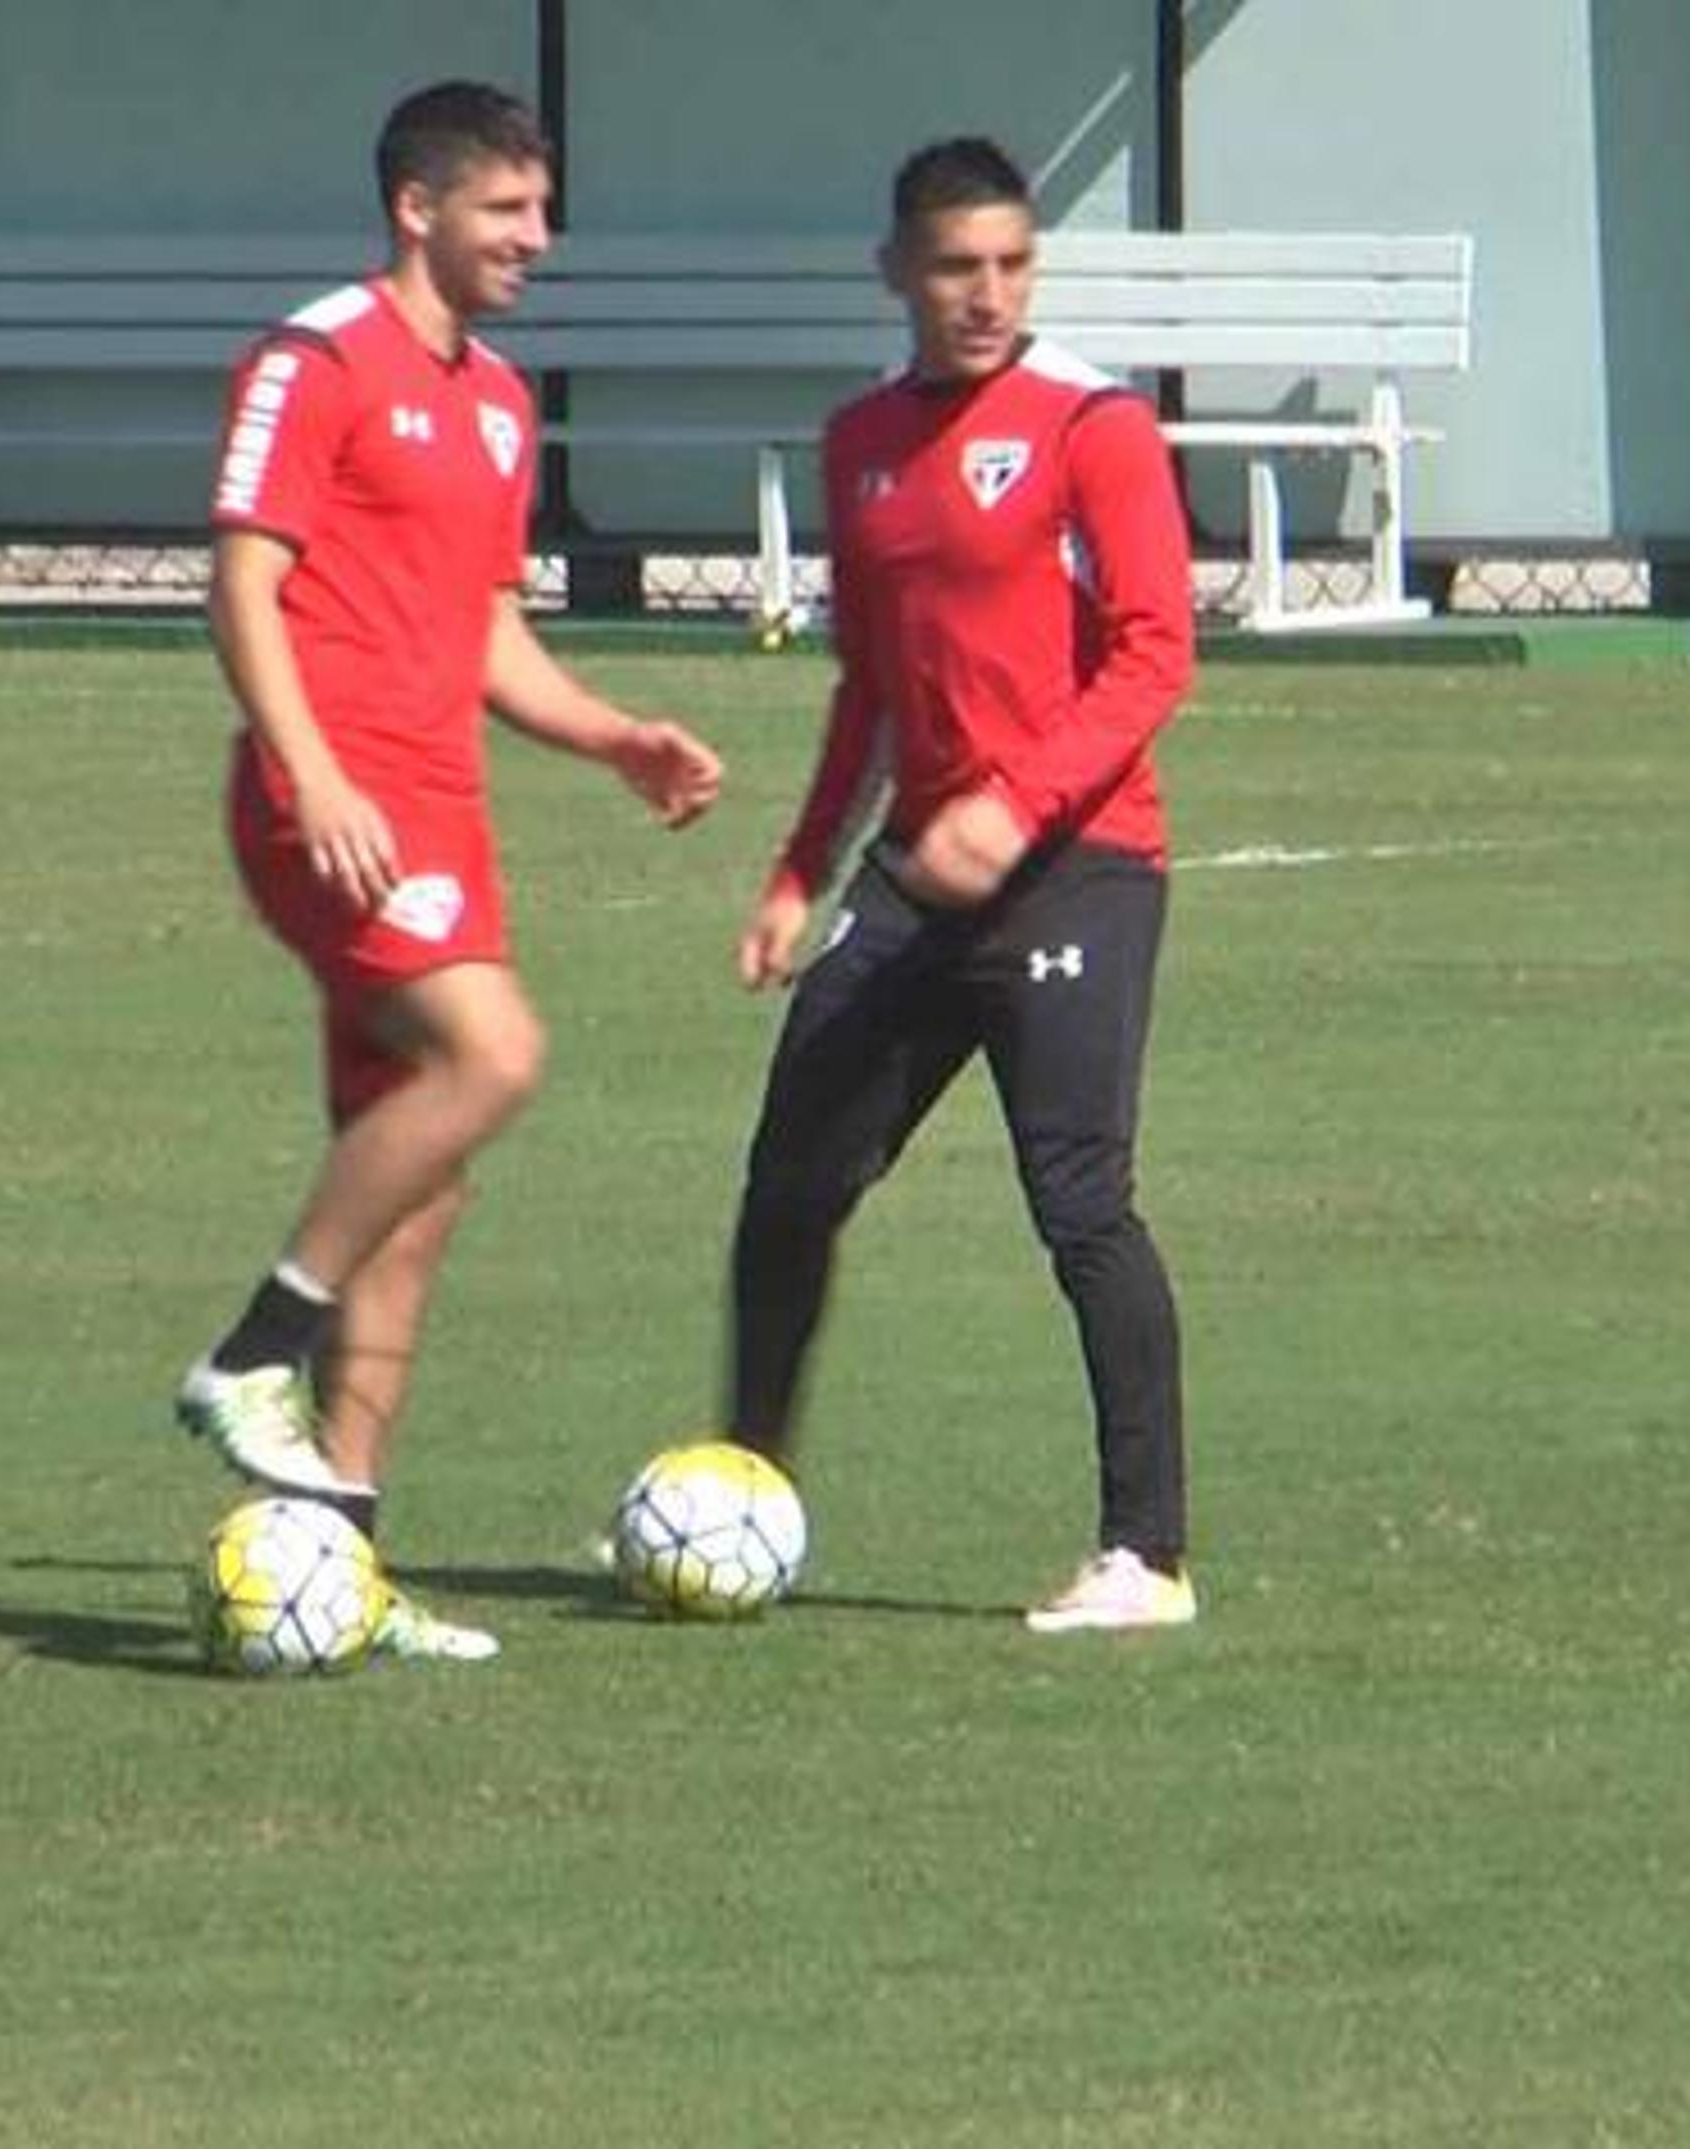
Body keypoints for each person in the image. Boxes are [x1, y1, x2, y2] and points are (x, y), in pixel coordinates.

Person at [176, 80, 725, 1662]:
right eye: (508, 211)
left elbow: (483, 629)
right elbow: (242, 585)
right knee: (497, 1053)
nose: (536, 241)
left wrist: (615, 738)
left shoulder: (495, 401)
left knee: (420, 1176)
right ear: (418, 208)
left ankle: (339, 1549)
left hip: (441, 810)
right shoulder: (314, 359)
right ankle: (250, 1350)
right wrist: (315, 773)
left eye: (540, 213)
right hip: (332, 808)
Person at [719, 137, 1202, 1634]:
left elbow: (1155, 652)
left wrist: (1017, 804)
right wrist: (805, 869)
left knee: (1081, 1206)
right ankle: (743, 1498)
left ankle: (1148, 1555)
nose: (986, 293)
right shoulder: (860, 436)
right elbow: (869, 683)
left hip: (1078, 869)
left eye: (1010, 264)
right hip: (915, 877)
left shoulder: (1092, 427)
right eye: (955, 266)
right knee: (788, 1187)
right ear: (899, 273)